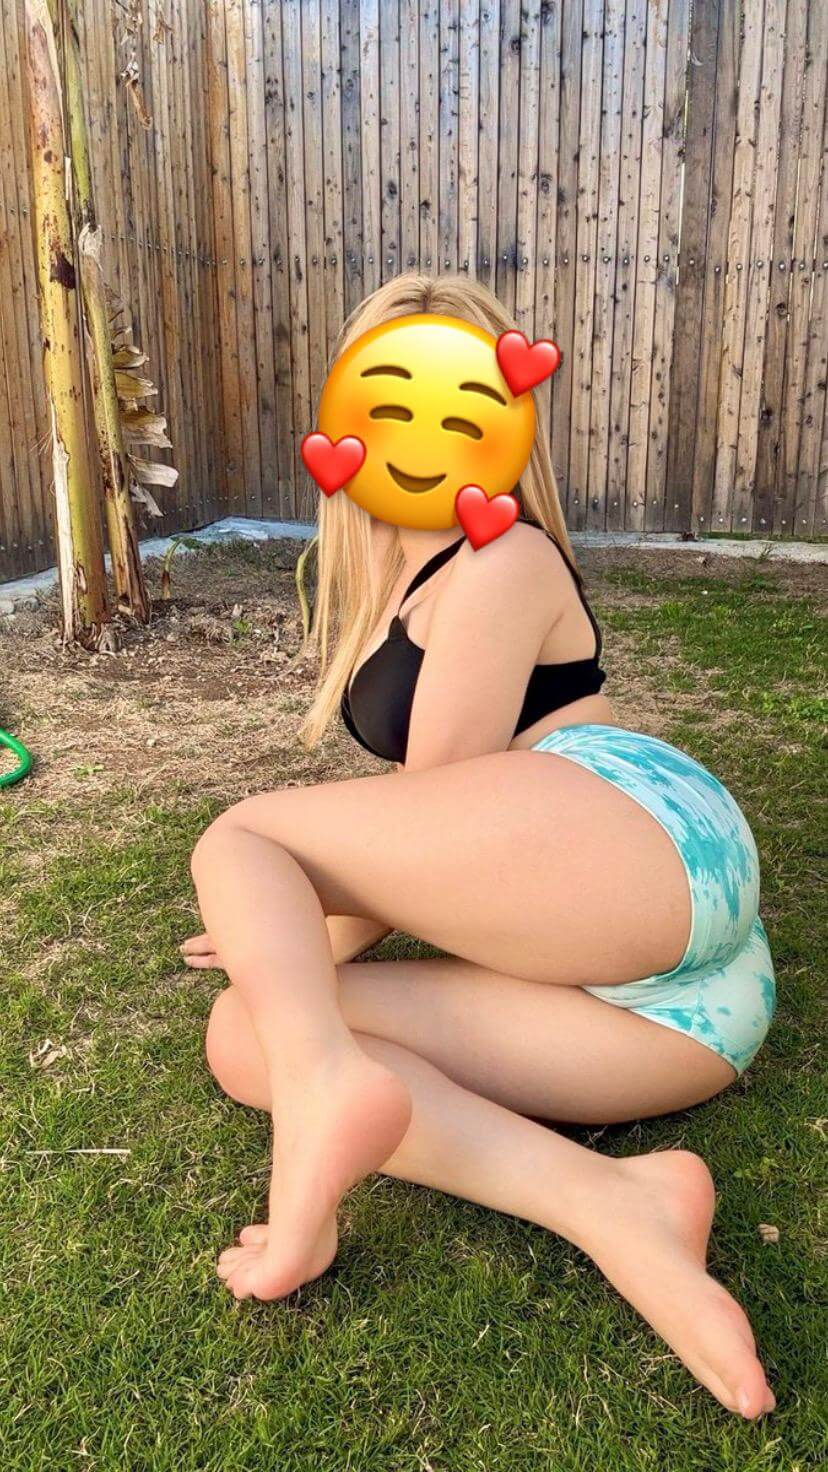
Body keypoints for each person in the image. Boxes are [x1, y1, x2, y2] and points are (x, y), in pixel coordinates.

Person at [183, 274, 776, 1419]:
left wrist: (289, 910)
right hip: (683, 1023)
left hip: (644, 834)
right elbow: (431, 847)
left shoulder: (502, 560)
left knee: (243, 834)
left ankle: (324, 1098)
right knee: (247, 1030)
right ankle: (616, 1203)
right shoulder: (391, 570)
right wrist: (276, 944)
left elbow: (432, 803)